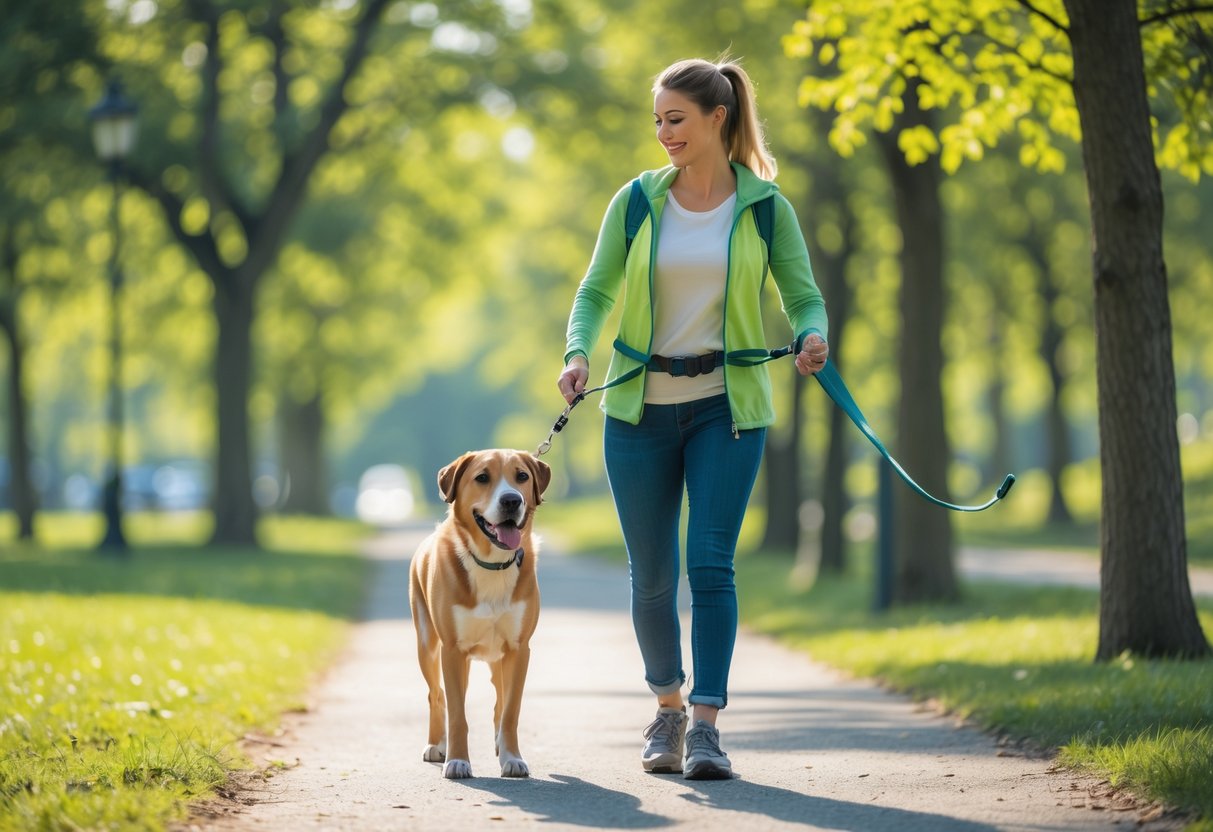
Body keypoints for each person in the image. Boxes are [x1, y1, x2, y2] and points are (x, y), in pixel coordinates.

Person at [557, 57, 830, 780]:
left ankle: (706, 725)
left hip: (727, 409)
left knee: (710, 566)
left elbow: (803, 295)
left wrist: (811, 335)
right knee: (651, 574)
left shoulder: (765, 205)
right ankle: (668, 708)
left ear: (717, 118)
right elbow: (594, 291)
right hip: (637, 411)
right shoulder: (638, 201)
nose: (662, 132)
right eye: (656, 120)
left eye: (674, 119)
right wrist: (577, 353)